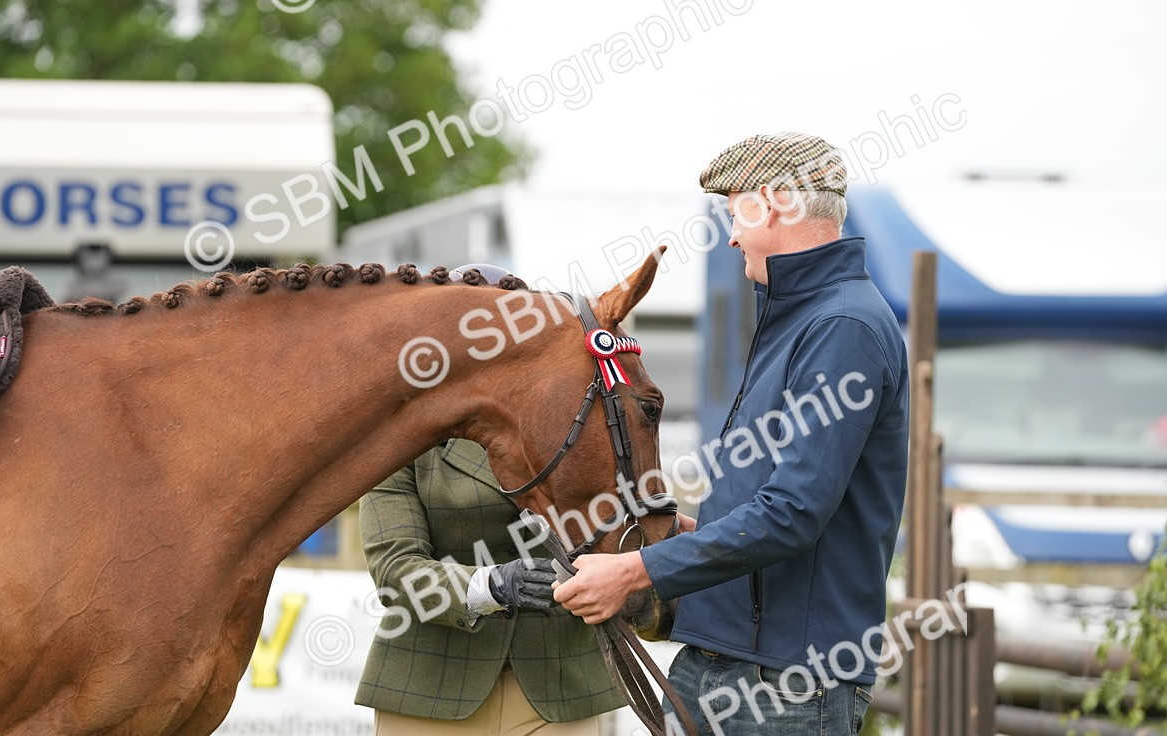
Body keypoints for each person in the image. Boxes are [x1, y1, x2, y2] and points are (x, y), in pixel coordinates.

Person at [553, 133, 910, 735]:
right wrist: (686, 532)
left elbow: (794, 511)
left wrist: (633, 572)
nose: (731, 234)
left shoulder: (842, 325)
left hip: (787, 686)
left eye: (733, 211)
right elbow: (774, 502)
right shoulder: (804, 316)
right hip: (720, 662)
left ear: (771, 202)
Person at [355, 266, 625, 736]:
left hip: (562, 685)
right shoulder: (397, 440)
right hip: (430, 688)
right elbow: (395, 572)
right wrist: (492, 586)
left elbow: (615, 530)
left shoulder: (574, 423)